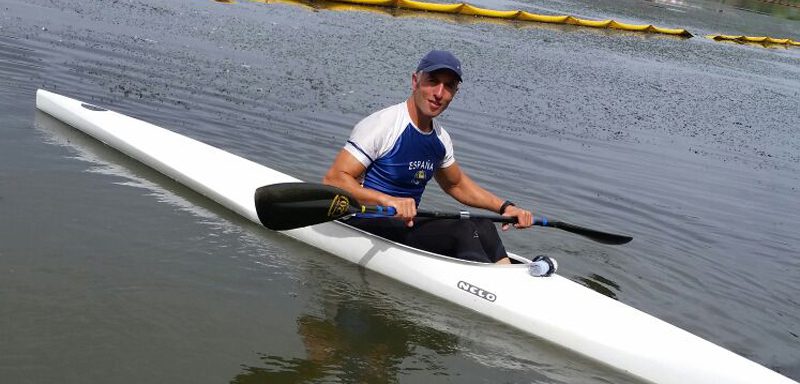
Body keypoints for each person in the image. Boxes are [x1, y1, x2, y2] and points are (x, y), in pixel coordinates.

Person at [323, 50, 533, 264]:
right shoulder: (383, 125)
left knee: (482, 225)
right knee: (463, 230)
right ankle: (486, 288)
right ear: (415, 81)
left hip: (405, 225)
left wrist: (505, 207)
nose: (439, 93)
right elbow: (334, 179)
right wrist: (389, 201)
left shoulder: (441, 139)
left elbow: (457, 184)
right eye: (432, 81)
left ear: (454, 93)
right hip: (366, 220)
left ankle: (504, 280)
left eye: (448, 86)